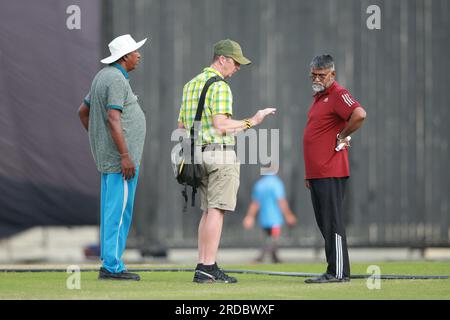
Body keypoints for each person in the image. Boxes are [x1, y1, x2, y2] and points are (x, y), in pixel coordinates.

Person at [177, 39, 276, 283]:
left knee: (207, 211)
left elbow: (181, 126)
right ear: (222, 59)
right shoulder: (220, 86)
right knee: (217, 210)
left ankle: (203, 264)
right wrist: (253, 121)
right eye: (235, 62)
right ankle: (208, 267)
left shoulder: (190, 85)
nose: (238, 68)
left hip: (195, 155)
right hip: (219, 155)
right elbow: (221, 125)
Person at [78, 34, 148, 281]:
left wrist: (102, 142)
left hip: (113, 159)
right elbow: (113, 117)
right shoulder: (116, 79)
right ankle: (112, 266)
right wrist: (124, 155)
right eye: (135, 52)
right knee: (119, 213)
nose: (139, 55)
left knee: (112, 212)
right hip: (121, 163)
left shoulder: (102, 76)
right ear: (125, 56)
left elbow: (83, 111)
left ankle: (110, 262)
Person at [302, 54, 366, 283]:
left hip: (331, 170)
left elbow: (359, 114)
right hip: (318, 173)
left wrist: (343, 135)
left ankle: (338, 272)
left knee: (332, 222)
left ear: (332, 74)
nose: (317, 78)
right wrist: (309, 174)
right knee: (324, 223)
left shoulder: (338, 94)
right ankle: (334, 270)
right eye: (314, 74)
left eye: (322, 75)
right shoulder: (320, 98)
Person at [243, 173, 297, 263]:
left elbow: (255, 203)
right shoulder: (276, 183)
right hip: (274, 218)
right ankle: (261, 256)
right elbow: (281, 200)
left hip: (264, 219)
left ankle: (275, 258)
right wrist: (288, 215)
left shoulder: (260, 184)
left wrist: (250, 217)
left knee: (269, 238)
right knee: (273, 238)